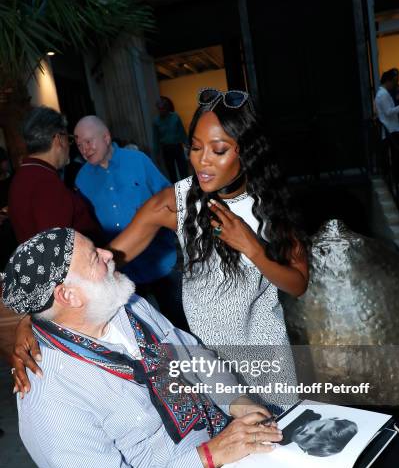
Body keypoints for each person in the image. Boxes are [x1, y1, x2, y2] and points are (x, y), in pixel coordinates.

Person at [1, 228, 282, 468]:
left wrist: (235, 400)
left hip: (215, 464)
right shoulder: (48, 398)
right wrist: (210, 456)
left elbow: (188, 352)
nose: (110, 254)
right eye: (94, 256)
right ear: (69, 295)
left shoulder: (124, 307)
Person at [109, 88, 309, 403]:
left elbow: (298, 285)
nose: (202, 162)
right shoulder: (176, 202)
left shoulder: (272, 202)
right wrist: (33, 316)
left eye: (218, 150)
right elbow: (104, 260)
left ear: (247, 151)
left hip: (270, 357)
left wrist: (253, 249)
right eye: (196, 147)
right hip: (213, 365)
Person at [74, 115, 187, 329]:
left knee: (180, 323)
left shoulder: (138, 161)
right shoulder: (81, 179)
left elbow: (168, 196)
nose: (84, 149)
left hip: (160, 260)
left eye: (88, 141)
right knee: (143, 331)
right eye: (79, 145)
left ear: (106, 137)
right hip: (121, 272)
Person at [7, 106, 102, 245]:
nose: (70, 147)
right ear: (59, 139)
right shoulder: (45, 183)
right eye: (69, 139)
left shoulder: (23, 176)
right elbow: (57, 248)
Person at [375, 70, 399, 183]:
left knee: (398, 155)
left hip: (393, 128)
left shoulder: (382, 94)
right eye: (393, 82)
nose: (394, 85)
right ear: (388, 81)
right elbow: (389, 112)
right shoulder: (382, 95)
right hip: (392, 129)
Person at [280, 409, 358, 457]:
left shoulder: (282, 441)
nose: (307, 431)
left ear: (304, 448)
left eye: (308, 438)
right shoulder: (307, 412)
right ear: (332, 418)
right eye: (318, 428)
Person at [153, 96, 189, 183]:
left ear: (167, 108)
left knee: (183, 169)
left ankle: (188, 188)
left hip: (177, 146)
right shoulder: (156, 121)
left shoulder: (175, 117)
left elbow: (182, 132)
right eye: (159, 109)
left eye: (163, 108)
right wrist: (156, 153)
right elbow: (155, 138)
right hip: (166, 148)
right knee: (171, 171)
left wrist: (188, 144)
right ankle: (176, 189)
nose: (161, 110)